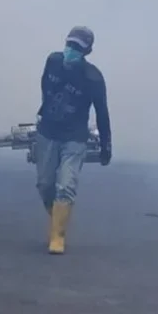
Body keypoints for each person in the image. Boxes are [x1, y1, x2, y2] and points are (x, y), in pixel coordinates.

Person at [33, 25, 112, 255]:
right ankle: (56, 216)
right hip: (48, 131)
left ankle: (57, 237)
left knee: (65, 185)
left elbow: (102, 113)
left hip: (75, 137)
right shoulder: (52, 61)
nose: (71, 50)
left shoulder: (93, 79)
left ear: (86, 52)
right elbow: (44, 88)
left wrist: (106, 145)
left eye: (77, 47)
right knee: (44, 183)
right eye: (69, 45)